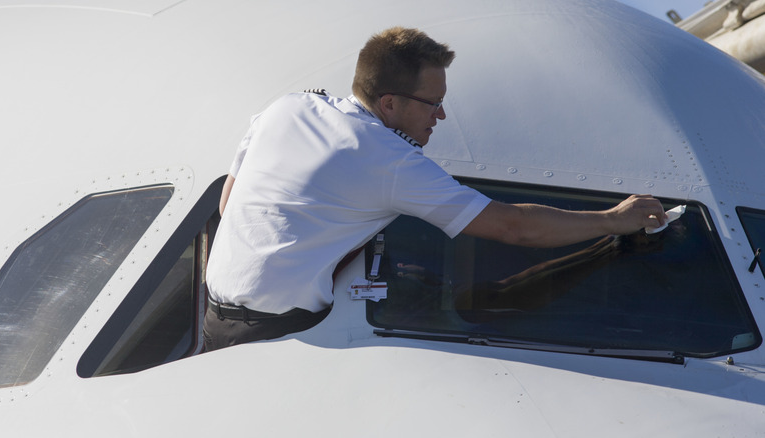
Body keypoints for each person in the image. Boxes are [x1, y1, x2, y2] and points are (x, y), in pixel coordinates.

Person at [203, 27, 666, 351]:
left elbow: (229, 202)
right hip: (278, 336)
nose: (439, 117)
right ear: (389, 102)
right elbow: (513, 227)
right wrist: (613, 219)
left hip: (213, 318)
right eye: (433, 104)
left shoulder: (288, 107)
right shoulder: (389, 160)